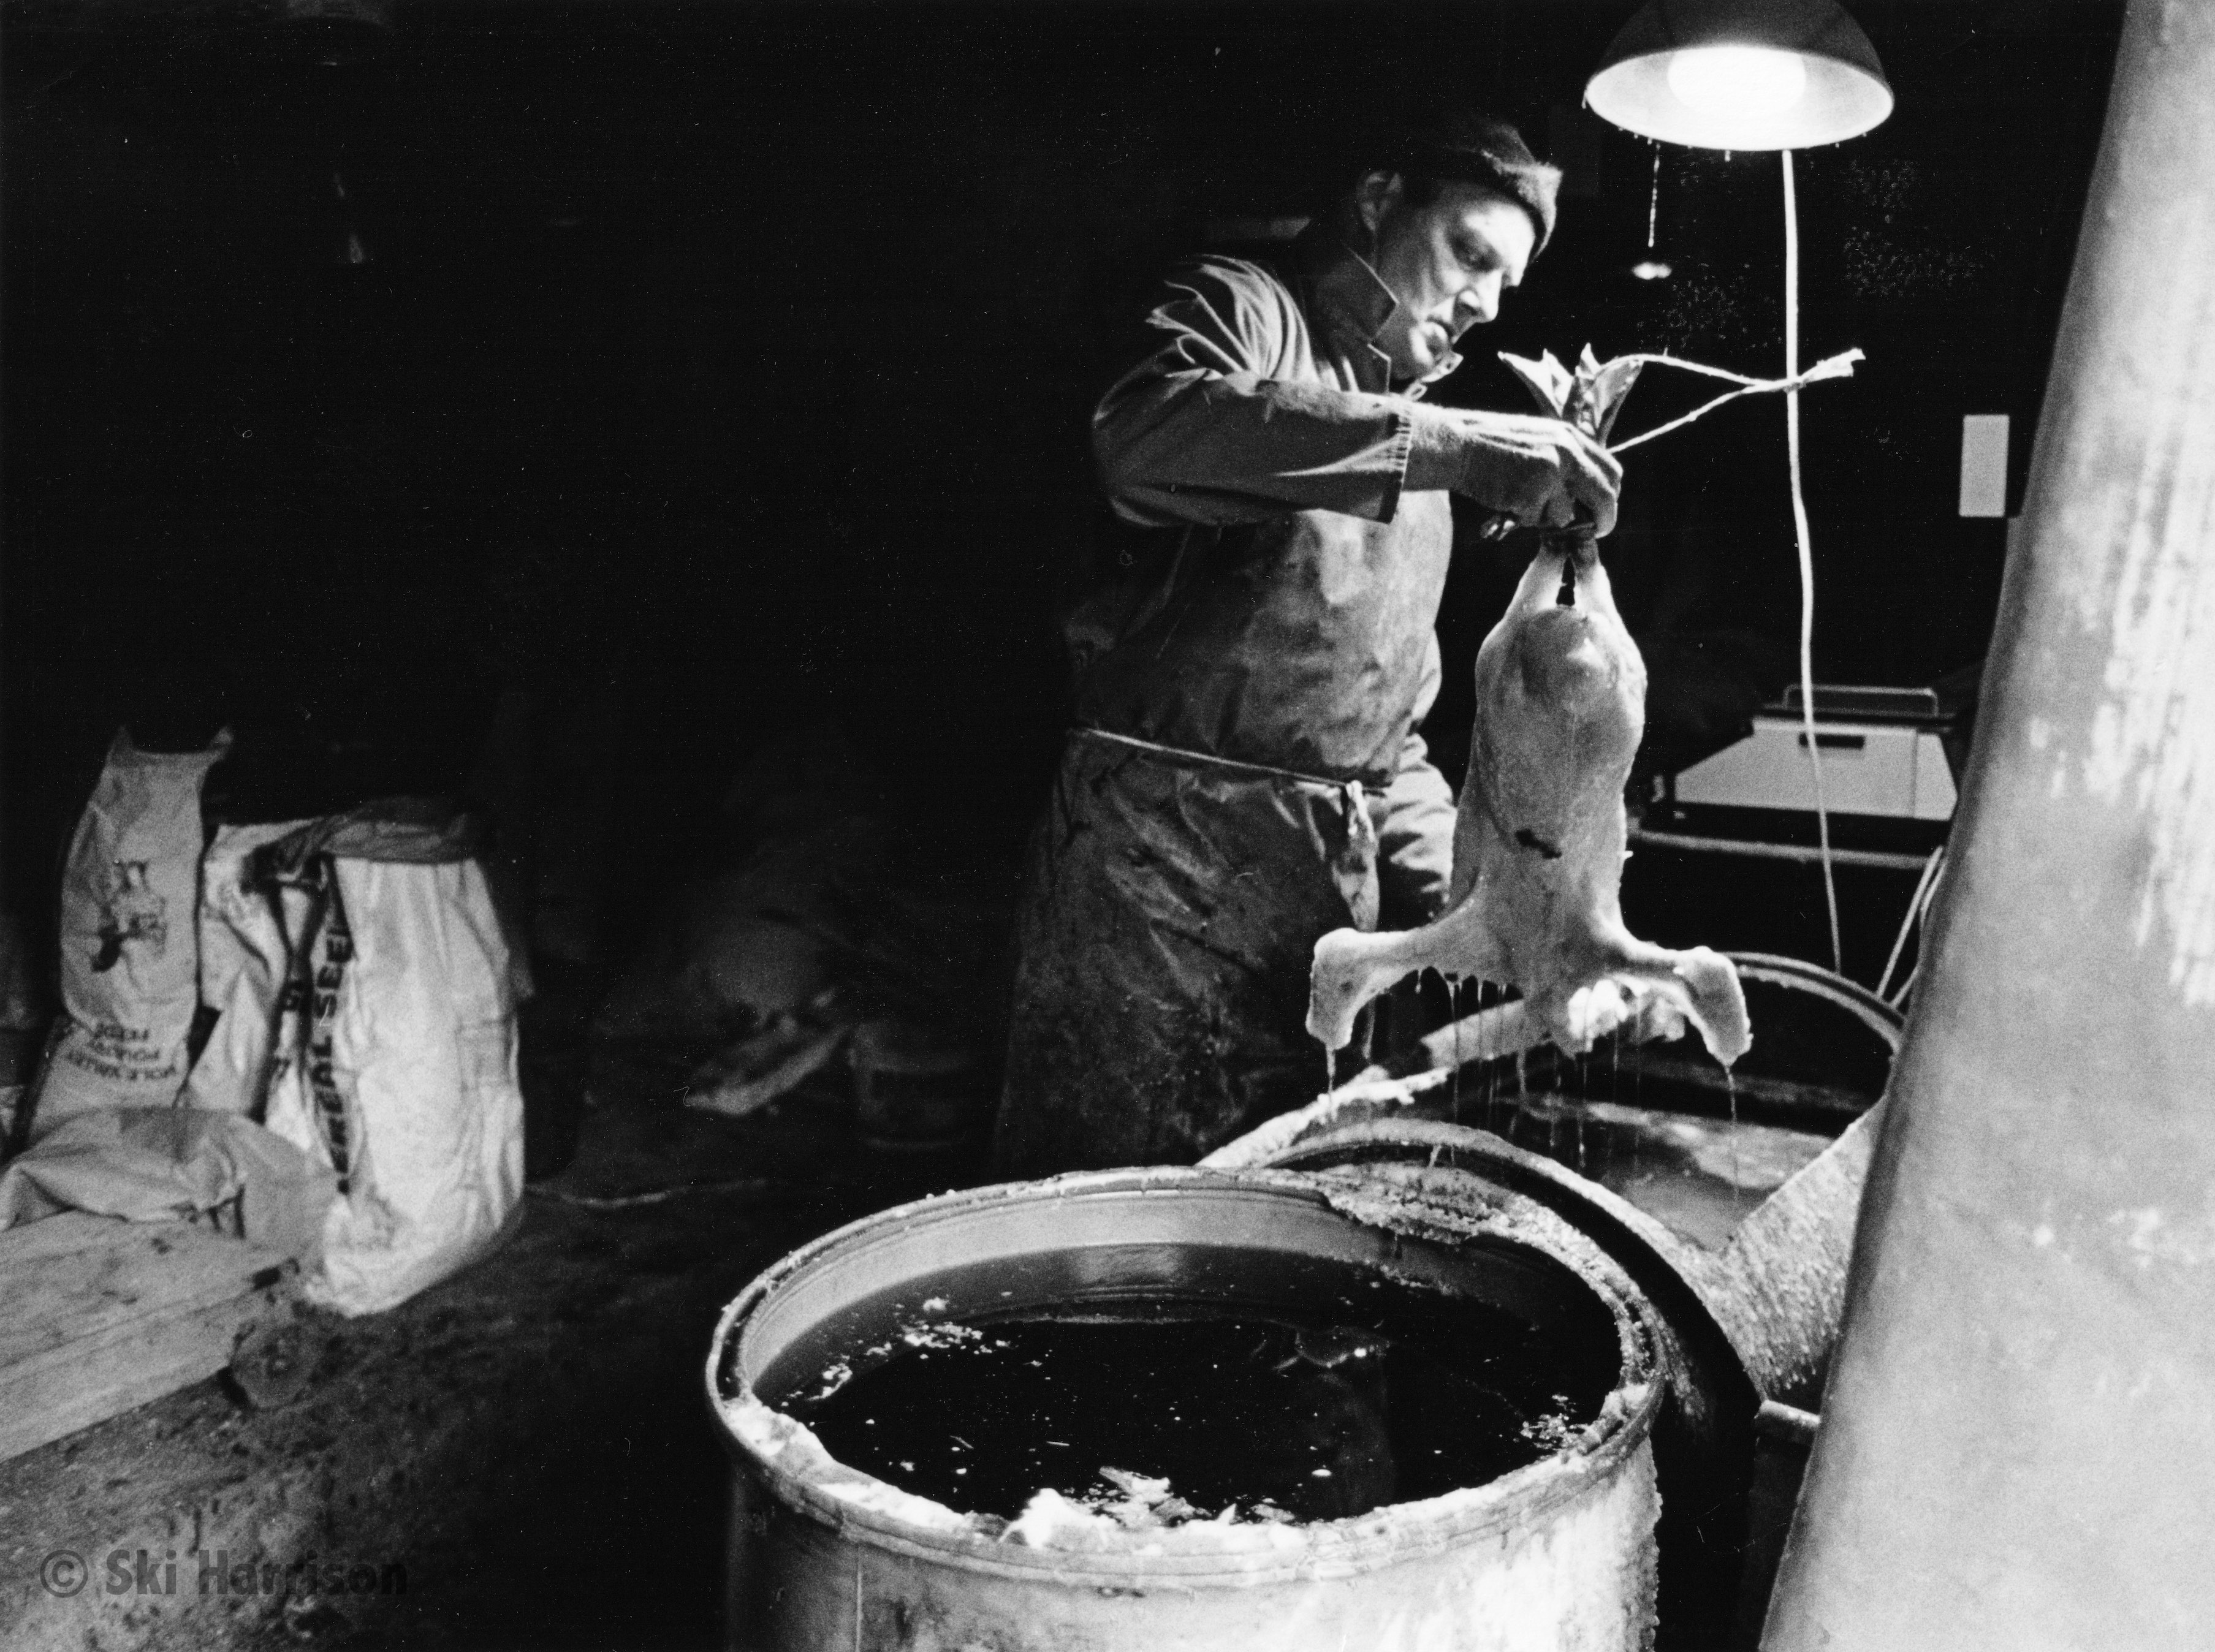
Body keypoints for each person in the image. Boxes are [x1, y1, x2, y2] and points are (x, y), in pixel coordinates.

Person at [993, 110, 1621, 1177]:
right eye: (1468, 255)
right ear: (1379, 200)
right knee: (1124, 1211)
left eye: (1503, 289)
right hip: (1157, 874)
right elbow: (1143, 435)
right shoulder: (1242, 308)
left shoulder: (1414, 474)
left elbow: (1385, 752)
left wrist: (1498, 907)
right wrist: (1451, 444)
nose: (1478, 303)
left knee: (1285, 1206)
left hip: (1326, 918)